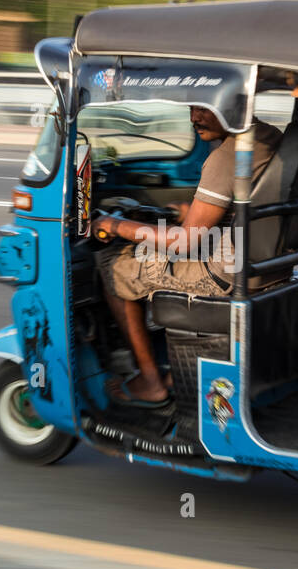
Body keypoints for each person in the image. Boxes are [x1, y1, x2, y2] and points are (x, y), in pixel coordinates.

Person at [93, 105, 283, 407]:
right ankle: (176, 368)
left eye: (204, 107)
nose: (194, 117)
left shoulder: (228, 155)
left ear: (230, 99)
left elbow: (183, 243)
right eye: (192, 108)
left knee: (114, 265)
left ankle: (151, 380)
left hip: (224, 273)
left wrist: (114, 224)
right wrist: (189, 213)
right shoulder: (268, 136)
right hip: (264, 263)